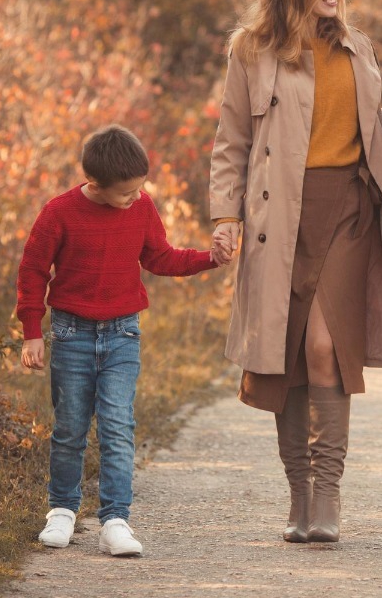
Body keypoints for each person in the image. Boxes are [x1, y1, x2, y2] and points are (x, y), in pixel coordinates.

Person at [210, 0, 382, 545]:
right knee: (284, 353)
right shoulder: (251, 51)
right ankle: (300, 500)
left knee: (323, 345)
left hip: (347, 211)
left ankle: (330, 493)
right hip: (277, 220)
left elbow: (372, 128)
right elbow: (231, 139)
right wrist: (224, 216)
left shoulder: (357, 48)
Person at [17, 125, 228, 557]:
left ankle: (115, 519)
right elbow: (32, 272)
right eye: (126, 192)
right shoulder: (59, 213)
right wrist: (32, 333)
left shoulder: (141, 206)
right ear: (95, 183)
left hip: (123, 333)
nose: (136, 197)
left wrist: (210, 258)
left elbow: (160, 256)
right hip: (71, 332)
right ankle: (61, 511)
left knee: (117, 427)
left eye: (140, 189)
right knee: (70, 427)